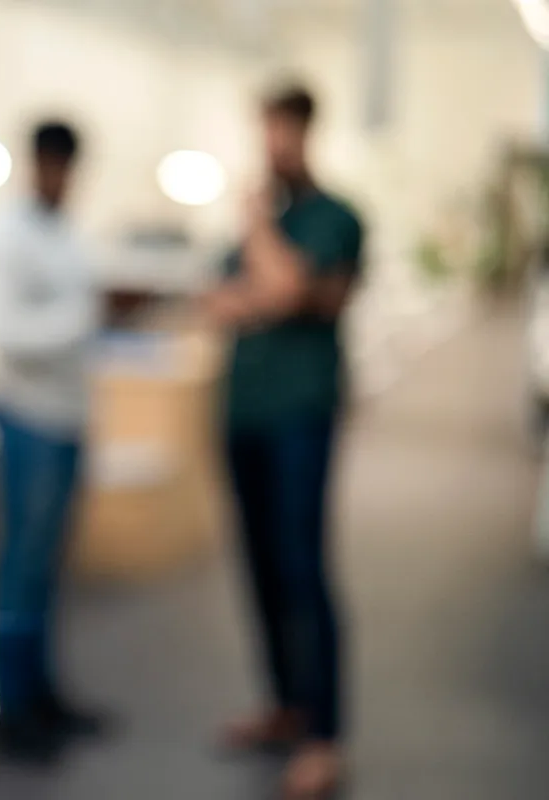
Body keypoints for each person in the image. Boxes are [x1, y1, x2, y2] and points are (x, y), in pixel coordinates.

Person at [205, 85, 364, 800]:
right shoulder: (268, 224)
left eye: (286, 129)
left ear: (306, 132)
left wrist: (257, 234)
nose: (275, 143)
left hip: (301, 416)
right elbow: (221, 300)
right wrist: (265, 291)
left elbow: (292, 291)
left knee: (304, 568)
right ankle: (285, 705)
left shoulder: (335, 218)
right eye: (267, 128)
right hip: (242, 416)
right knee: (261, 568)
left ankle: (324, 735)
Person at [0, 121, 101, 760]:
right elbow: (7, 332)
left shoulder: (64, 232)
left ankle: (43, 691)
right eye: (53, 165)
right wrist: (86, 320)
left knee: (48, 567)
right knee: (20, 567)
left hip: (70, 418)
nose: (60, 177)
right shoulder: (0, 238)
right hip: (26, 418)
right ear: (36, 163)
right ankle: (7, 708)